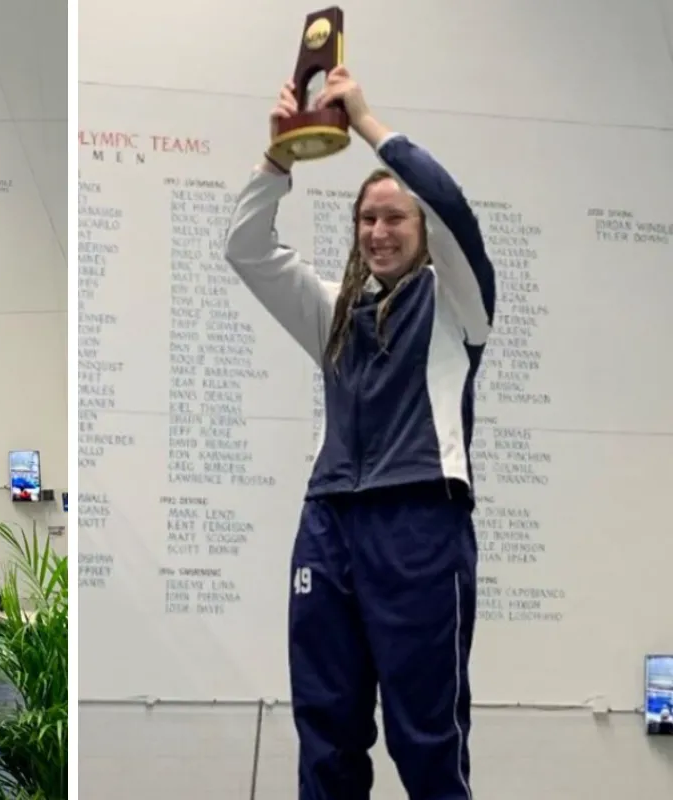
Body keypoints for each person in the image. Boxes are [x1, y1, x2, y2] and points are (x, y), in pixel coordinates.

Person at [223, 65, 495, 799]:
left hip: (420, 526)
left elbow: (450, 204)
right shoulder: (334, 311)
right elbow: (246, 250)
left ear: (421, 232)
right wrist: (279, 154)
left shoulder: (458, 307)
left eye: (394, 218)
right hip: (329, 524)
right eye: (366, 220)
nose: (378, 231)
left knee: (426, 738)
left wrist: (366, 121)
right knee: (328, 731)